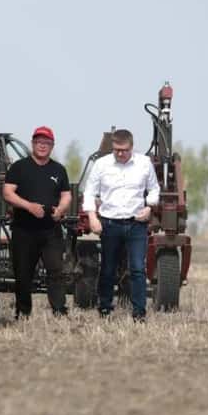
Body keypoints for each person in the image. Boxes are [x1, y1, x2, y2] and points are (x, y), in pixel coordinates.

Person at [82, 129, 160, 321]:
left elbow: (154, 189)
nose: (120, 154)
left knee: (137, 269)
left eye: (124, 150)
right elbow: (90, 192)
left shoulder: (144, 164)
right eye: (116, 150)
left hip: (136, 225)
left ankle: (139, 312)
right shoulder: (101, 165)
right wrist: (92, 217)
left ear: (131, 147)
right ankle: (105, 308)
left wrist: (150, 208)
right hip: (110, 224)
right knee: (108, 268)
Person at [2, 126, 72, 318]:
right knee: (23, 274)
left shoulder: (58, 169)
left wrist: (61, 209)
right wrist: (28, 206)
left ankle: (59, 310)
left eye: (46, 143)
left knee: (56, 271)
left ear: (52, 146)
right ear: (32, 144)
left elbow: (66, 195)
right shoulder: (19, 167)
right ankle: (23, 312)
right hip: (24, 228)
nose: (42, 146)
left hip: (51, 229)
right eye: (39, 142)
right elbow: (8, 193)